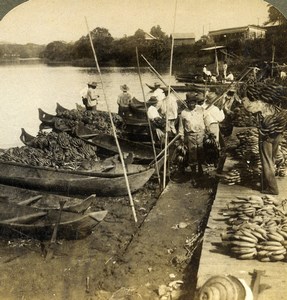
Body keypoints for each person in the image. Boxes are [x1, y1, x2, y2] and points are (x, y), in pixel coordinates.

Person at [241, 94, 284, 195]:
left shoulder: (258, 104)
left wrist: (244, 101)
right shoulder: (274, 105)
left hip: (267, 136)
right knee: (271, 160)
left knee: (266, 161)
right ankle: (266, 184)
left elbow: (248, 108)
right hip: (278, 135)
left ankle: (273, 188)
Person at [178, 92, 206, 187]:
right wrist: (181, 136)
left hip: (201, 134)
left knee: (201, 152)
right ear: (187, 103)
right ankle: (194, 175)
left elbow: (206, 120)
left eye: (193, 102)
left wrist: (208, 131)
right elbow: (181, 126)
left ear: (195, 102)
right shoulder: (184, 113)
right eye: (189, 103)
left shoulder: (201, 109)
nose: (191, 104)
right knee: (192, 155)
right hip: (190, 135)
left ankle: (201, 170)